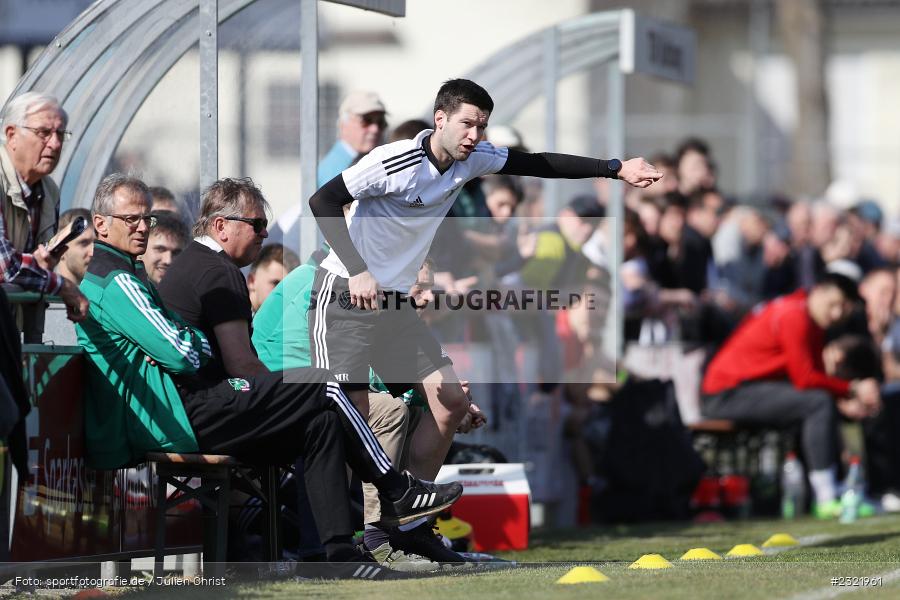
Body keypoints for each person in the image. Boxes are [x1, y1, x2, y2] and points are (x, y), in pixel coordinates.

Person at [307, 77, 660, 524]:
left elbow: (537, 163)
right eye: (467, 124)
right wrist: (358, 269)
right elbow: (323, 199)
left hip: (393, 303)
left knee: (451, 402)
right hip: (345, 295)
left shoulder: (471, 160)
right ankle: (347, 534)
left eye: (482, 126)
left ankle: (406, 528)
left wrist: (615, 168)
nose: (475, 135)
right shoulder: (395, 159)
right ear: (440, 119)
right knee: (352, 420)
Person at [81, 174, 461, 571]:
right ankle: (396, 489)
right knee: (326, 385)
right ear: (221, 226)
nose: (143, 227)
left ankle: (332, 556)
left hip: (188, 410)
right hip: (184, 417)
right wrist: (200, 347)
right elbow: (189, 356)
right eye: (257, 224)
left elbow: (184, 349)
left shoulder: (154, 270)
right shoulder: (158, 275)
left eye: (148, 219)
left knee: (321, 422)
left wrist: (194, 347)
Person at [701, 273, 882, 517]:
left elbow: (816, 378)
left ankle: (838, 489)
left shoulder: (810, 320)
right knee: (818, 403)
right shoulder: (794, 315)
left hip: (748, 391)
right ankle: (825, 496)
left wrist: (844, 401)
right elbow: (804, 378)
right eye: (834, 304)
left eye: (844, 310)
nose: (837, 314)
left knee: (821, 403)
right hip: (726, 394)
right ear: (818, 290)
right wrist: (853, 389)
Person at [0, 92, 88, 320]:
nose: (55, 143)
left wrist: (43, 264)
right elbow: (6, 266)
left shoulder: (49, 190)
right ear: (12, 135)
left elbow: (37, 266)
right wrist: (62, 286)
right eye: (43, 133)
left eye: (60, 134)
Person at [318, 91, 388, 187]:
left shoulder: (365, 161)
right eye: (366, 120)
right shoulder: (333, 171)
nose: (375, 129)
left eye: (381, 122)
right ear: (343, 124)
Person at [247, 242, 299, 313]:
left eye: (288, 289)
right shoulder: (234, 314)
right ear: (252, 281)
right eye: (276, 284)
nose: (282, 293)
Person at [54, 208, 94, 285]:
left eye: (96, 243)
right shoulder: (42, 290)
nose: (93, 252)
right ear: (59, 248)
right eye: (84, 243)